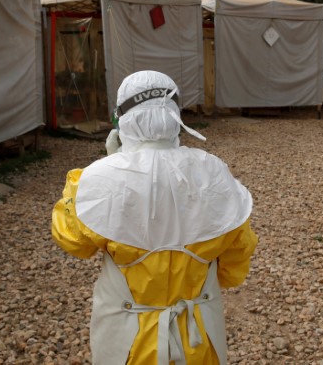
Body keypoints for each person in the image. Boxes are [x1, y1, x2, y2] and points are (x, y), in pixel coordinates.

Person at [52, 70, 257, 364]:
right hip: (198, 333)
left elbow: (73, 241)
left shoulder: (97, 179)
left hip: (127, 342)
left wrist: (104, 170)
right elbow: (237, 255)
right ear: (175, 114)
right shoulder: (213, 173)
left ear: (120, 118)